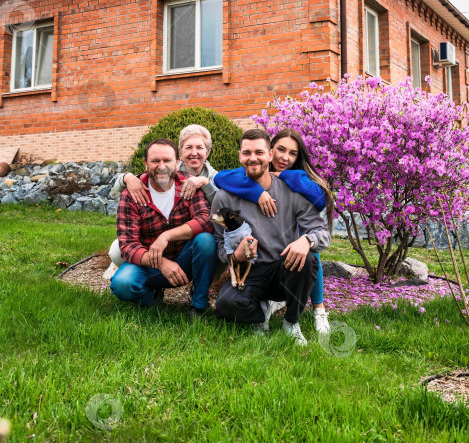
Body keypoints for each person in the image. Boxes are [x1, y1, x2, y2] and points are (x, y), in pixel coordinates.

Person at [211, 129, 331, 345]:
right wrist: (235, 256)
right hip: (248, 273)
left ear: (270, 155)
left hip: (283, 270)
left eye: (259, 152)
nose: (253, 158)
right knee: (226, 305)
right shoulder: (224, 196)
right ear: (240, 156)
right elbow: (219, 244)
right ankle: (258, 318)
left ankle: (291, 322)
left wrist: (306, 241)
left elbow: (322, 233)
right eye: (247, 153)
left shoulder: (292, 191)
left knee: (309, 260)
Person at [110, 138, 217, 318]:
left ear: (177, 162)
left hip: (185, 260)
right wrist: (161, 263)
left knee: (206, 240)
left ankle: (199, 305)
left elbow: (205, 220)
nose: (161, 166)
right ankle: (151, 296)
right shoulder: (132, 193)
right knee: (122, 284)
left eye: (167, 160)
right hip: (150, 264)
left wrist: (166, 236)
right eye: (155, 161)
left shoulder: (188, 184)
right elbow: (128, 246)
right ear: (145, 163)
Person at [108, 124, 218, 267]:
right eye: (188, 147)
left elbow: (218, 207)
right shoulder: (167, 167)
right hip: (152, 241)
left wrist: (205, 183)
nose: (194, 152)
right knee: (118, 250)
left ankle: (207, 280)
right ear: (180, 154)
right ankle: (136, 271)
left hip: (189, 237)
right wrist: (127, 177)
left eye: (200, 147)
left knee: (210, 241)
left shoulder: (215, 177)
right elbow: (115, 189)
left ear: (208, 152)